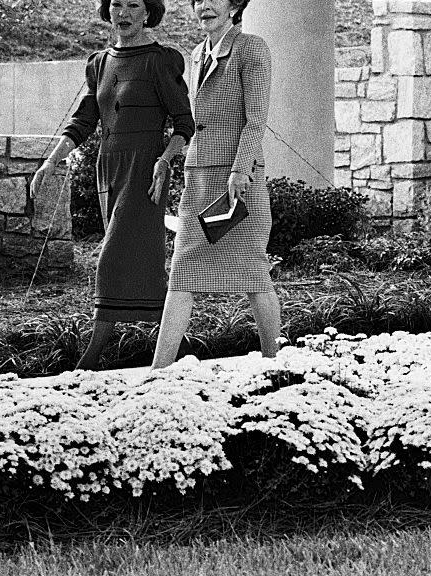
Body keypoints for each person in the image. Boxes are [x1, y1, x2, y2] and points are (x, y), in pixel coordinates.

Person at [31, 0, 194, 369]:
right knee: (139, 260)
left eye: (132, 4)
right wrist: (51, 161)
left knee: (111, 258)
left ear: (148, 12)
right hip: (108, 169)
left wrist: (165, 160)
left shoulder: (161, 60)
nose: (122, 13)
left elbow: (185, 123)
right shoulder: (99, 63)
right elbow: (83, 120)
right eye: (116, 4)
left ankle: (90, 359)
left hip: (146, 170)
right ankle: (178, 350)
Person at [151, 0, 280, 369]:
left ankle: (278, 363)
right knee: (182, 270)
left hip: (239, 179)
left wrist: (240, 170)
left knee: (254, 273)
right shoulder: (196, 53)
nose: (204, 5)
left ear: (235, 4)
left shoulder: (251, 48)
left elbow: (256, 120)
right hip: (200, 176)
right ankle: (158, 373)